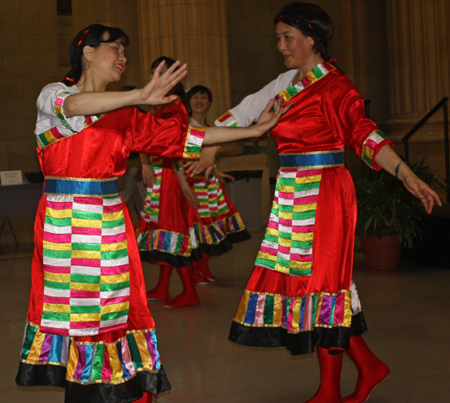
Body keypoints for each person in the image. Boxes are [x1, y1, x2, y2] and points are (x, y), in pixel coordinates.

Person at [15, 24, 288, 403]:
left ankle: (118, 385)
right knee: (78, 312)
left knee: (114, 308)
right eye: (115, 48)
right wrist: (138, 95)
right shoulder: (55, 95)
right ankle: (88, 388)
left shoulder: (126, 115)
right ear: (88, 53)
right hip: (67, 221)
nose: (123, 57)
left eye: (126, 51)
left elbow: (188, 139)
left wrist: (254, 130)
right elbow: (74, 107)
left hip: (110, 220)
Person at [215, 3, 442, 403]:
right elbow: (248, 115)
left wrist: (404, 172)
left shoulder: (337, 87)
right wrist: (206, 144)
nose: (281, 45)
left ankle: (329, 390)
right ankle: (369, 368)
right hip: (292, 192)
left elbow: (364, 134)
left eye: (288, 37)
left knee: (322, 289)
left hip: (324, 194)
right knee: (310, 288)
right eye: (278, 38)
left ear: (313, 38)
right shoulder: (290, 87)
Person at [136, 56, 204, 308]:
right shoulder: (162, 106)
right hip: (163, 173)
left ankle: (189, 291)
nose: (158, 76)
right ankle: (163, 287)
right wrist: (144, 162)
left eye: (164, 72)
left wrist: (184, 183)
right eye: (155, 72)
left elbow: (178, 149)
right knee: (162, 230)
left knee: (171, 230)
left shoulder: (175, 107)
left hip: (172, 175)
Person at [185, 85, 251, 283]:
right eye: (195, 97)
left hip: (209, 184)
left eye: (203, 97)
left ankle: (203, 265)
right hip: (192, 182)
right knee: (197, 227)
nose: (199, 101)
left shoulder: (210, 126)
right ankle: (196, 268)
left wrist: (217, 172)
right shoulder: (185, 125)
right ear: (189, 102)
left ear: (209, 102)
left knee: (215, 225)